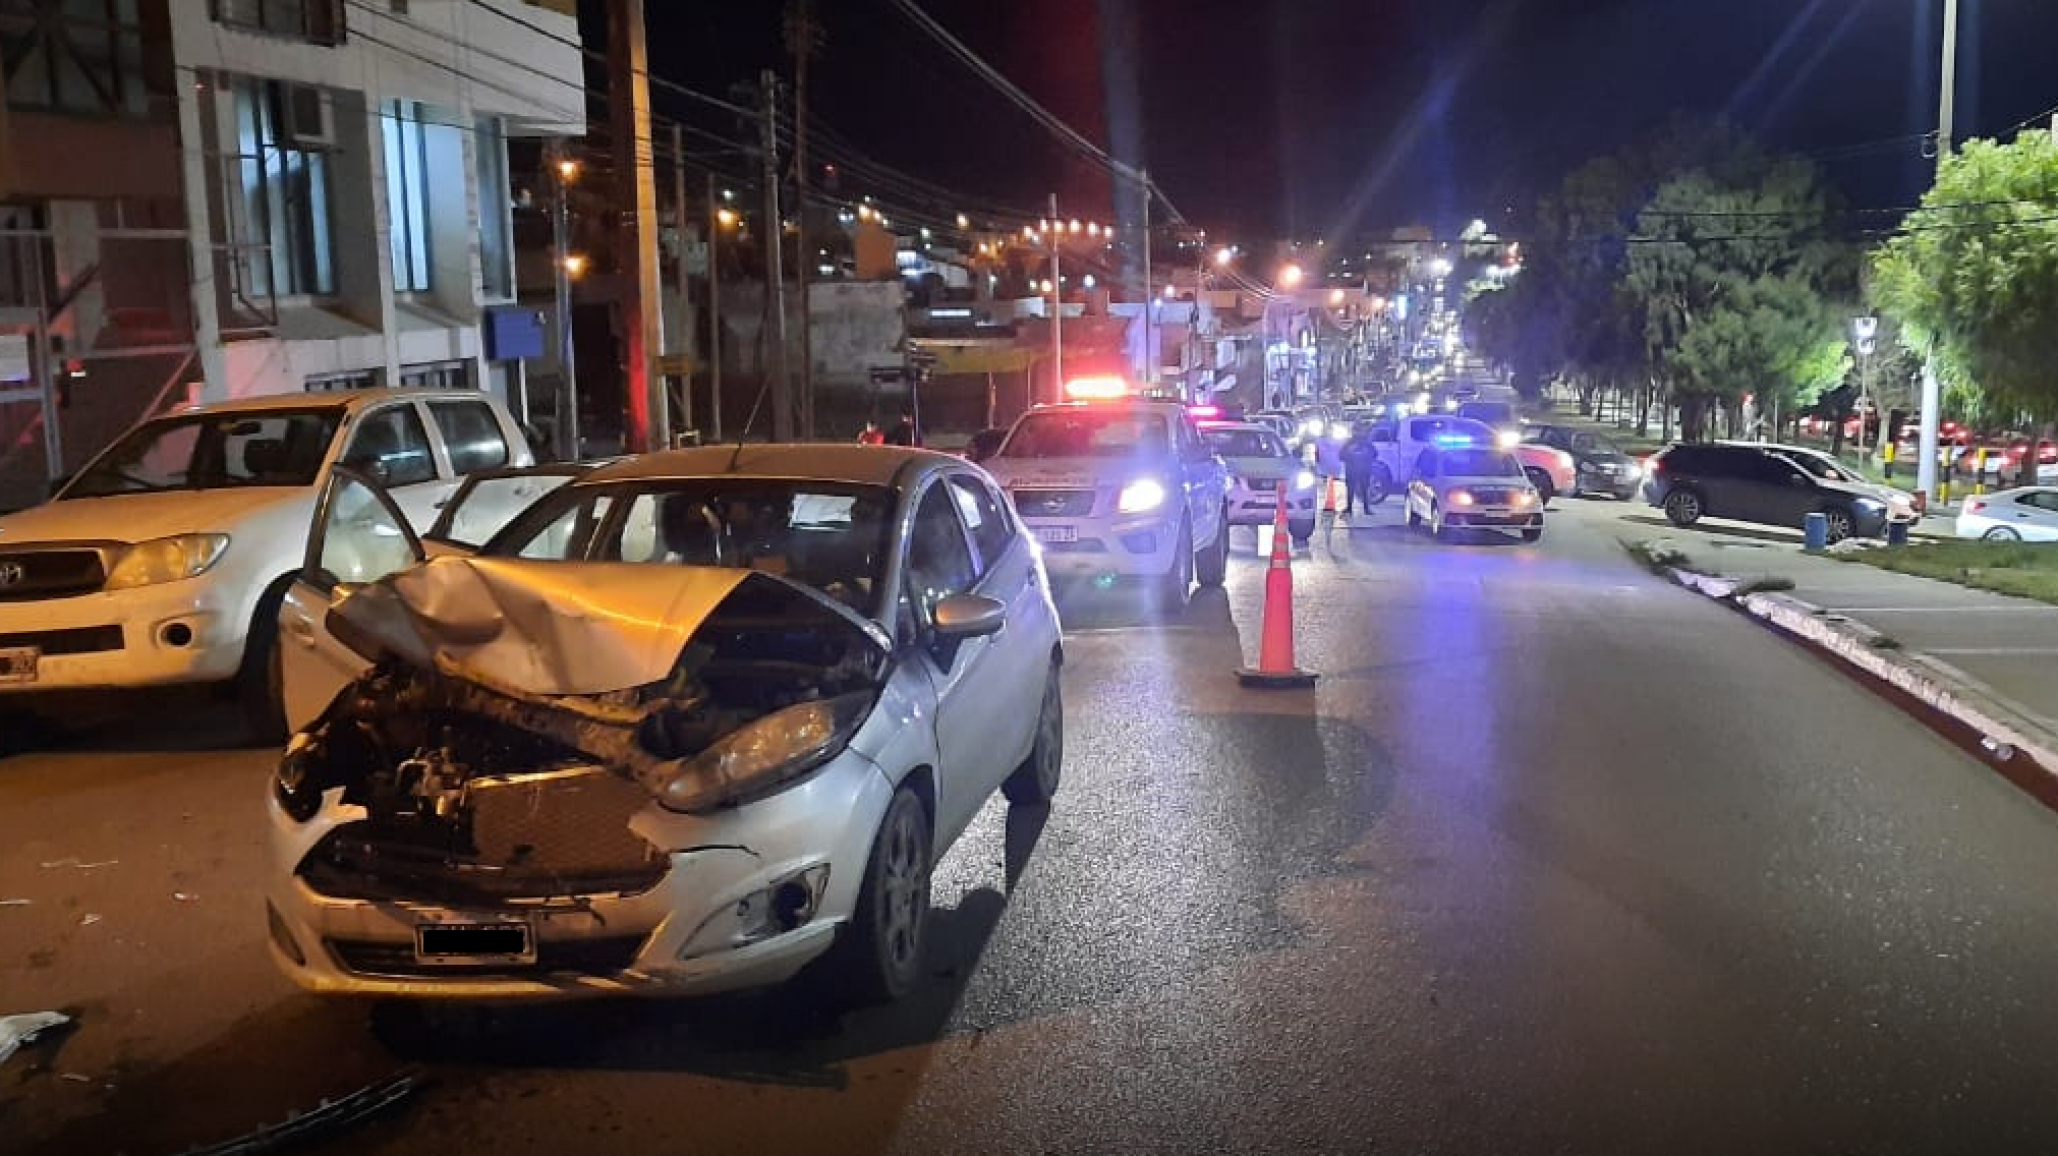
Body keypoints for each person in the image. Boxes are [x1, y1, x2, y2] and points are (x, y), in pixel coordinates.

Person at [1340, 424, 1380, 516]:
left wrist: (1365, 456)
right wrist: (1350, 455)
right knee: (1350, 490)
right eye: (1356, 431)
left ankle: (1366, 508)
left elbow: (1375, 454)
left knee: (1364, 490)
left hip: (1364, 471)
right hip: (1352, 471)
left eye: (1359, 430)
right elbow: (1341, 455)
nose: (1357, 433)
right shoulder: (1349, 442)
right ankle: (1349, 508)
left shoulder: (1366, 442)